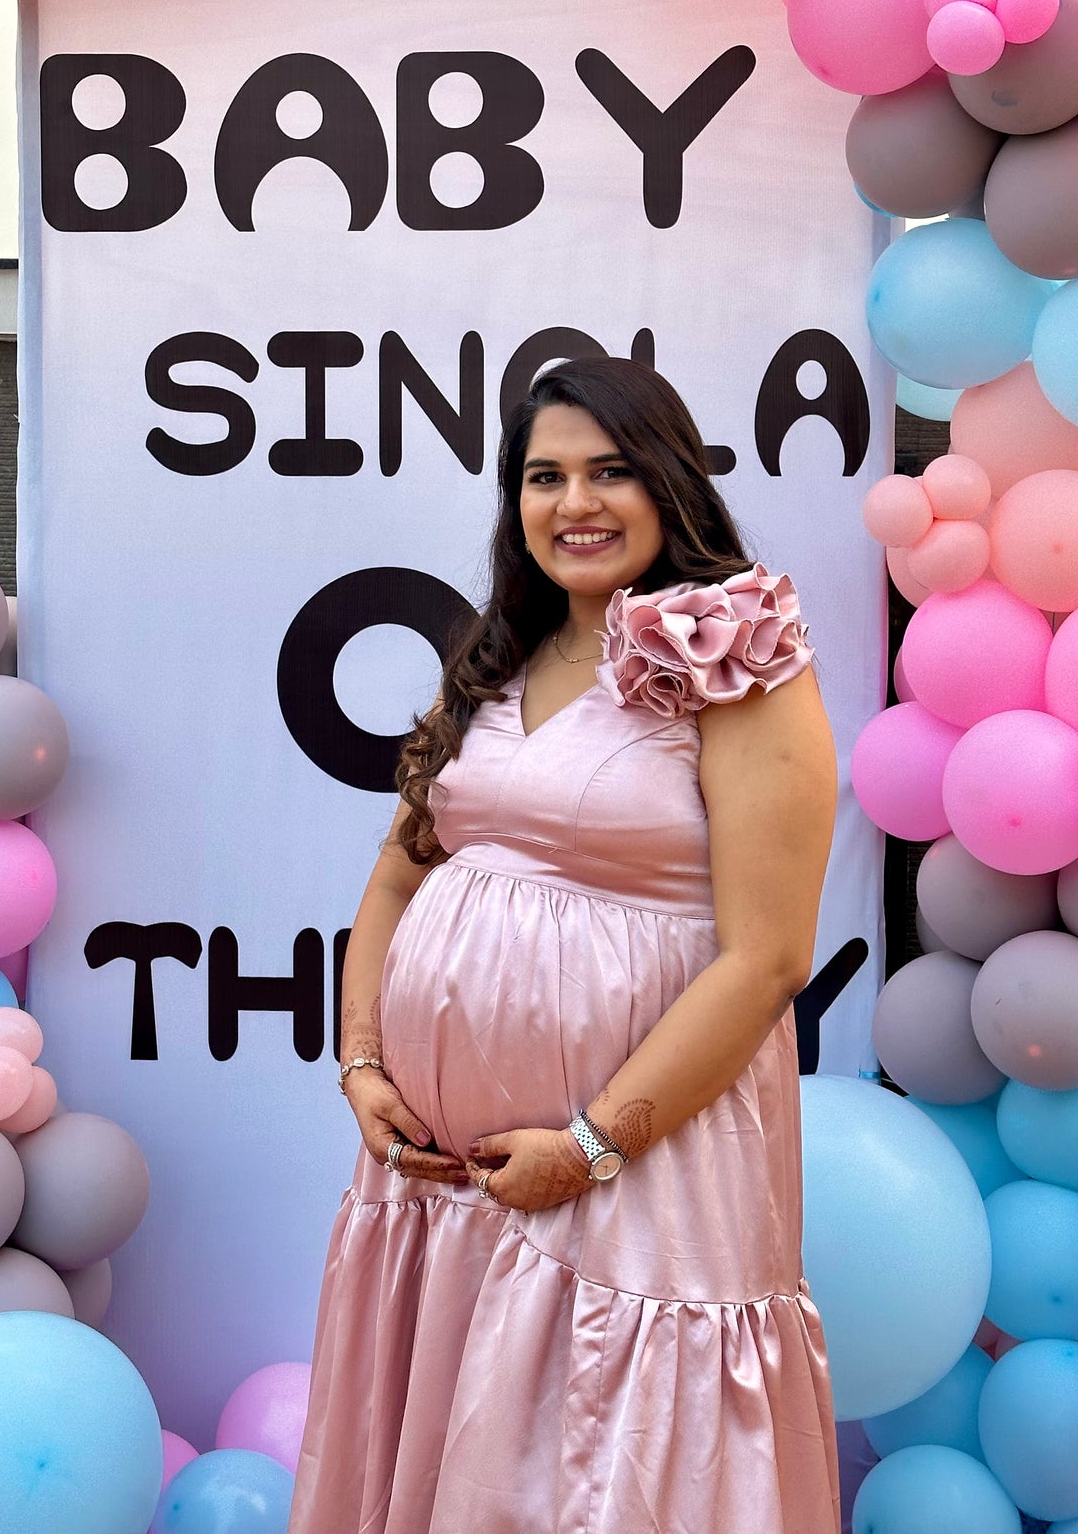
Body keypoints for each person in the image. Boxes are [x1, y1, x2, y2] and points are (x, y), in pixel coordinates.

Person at [287, 356, 840, 1534]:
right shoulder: (497, 657)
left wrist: (588, 1147)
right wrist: (362, 1063)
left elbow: (767, 959)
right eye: (544, 476)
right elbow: (397, 872)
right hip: (444, 1191)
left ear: (670, 485)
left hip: (641, 1167)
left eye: (609, 471)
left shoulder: (736, 660)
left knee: (608, 1469)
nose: (573, 504)